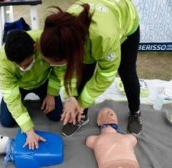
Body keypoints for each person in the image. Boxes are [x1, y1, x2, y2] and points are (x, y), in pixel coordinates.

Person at [40, 0, 141, 136]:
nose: (51, 66)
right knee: (84, 73)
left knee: (127, 72)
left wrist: (80, 103)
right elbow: (67, 70)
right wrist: (70, 97)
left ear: (72, 54)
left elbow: (105, 76)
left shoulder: (104, 39)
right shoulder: (59, 30)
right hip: (94, 26)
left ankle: (135, 112)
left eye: (55, 63)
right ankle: (81, 116)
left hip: (123, 19)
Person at [0, 30, 63, 150]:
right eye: (18, 65)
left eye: (26, 64)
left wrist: (52, 93)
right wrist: (29, 130)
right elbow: (10, 93)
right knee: (6, 122)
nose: (22, 68)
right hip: (20, 86)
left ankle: (44, 96)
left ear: (34, 48)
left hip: (43, 81)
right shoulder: (2, 60)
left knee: (57, 115)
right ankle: (18, 102)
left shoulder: (47, 42)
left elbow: (59, 68)